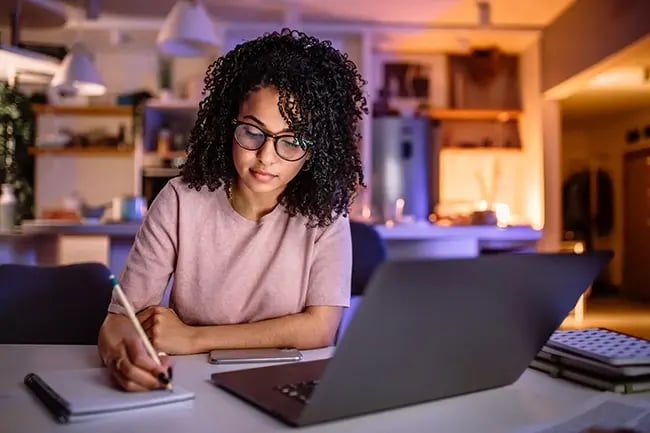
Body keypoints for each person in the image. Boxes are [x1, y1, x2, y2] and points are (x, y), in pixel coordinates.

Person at [97, 29, 367, 392]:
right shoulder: (180, 200)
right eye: (253, 132)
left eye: (292, 141)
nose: (267, 156)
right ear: (228, 124)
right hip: (192, 383)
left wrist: (193, 338)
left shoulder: (326, 215)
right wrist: (122, 358)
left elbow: (319, 329)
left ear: (316, 150)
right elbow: (120, 321)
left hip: (289, 382)